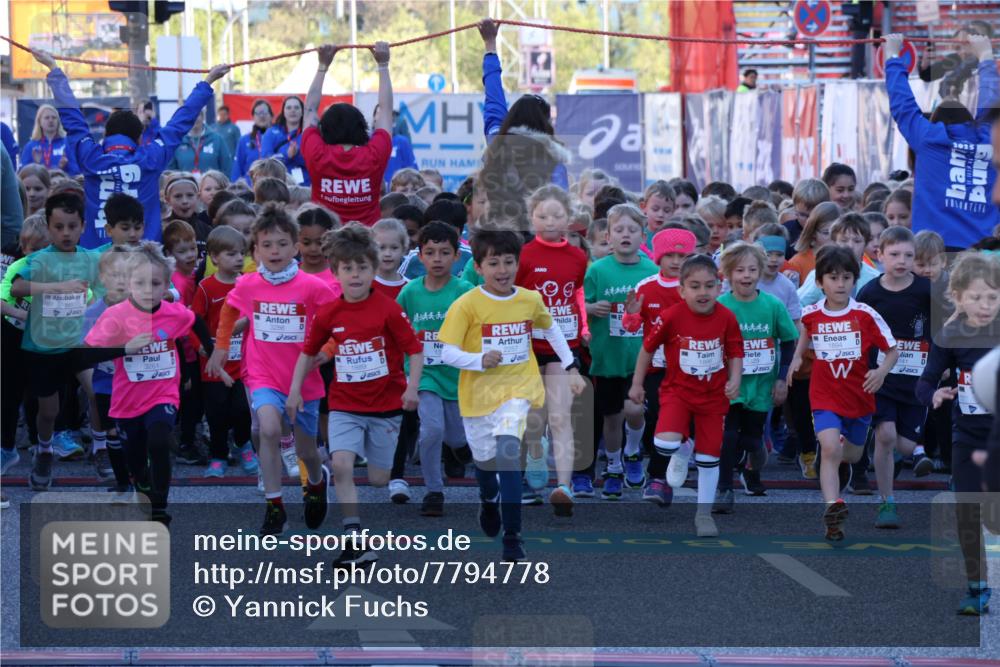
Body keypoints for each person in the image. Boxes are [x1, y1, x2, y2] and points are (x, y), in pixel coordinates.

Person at [438, 229, 585, 561]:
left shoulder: (530, 299)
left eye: (508, 262)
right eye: (493, 263)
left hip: (519, 389)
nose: (502, 270)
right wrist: (478, 360)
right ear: (478, 267)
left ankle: (513, 535)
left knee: (508, 452)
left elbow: (551, 329)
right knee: (487, 469)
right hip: (478, 395)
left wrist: (571, 366)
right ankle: (489, 501)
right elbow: (446, 352)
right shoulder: (467, 305)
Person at [288, 223, 423, 566]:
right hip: (345, 405)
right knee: (343, 465)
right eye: (348, 268)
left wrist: (411, 388)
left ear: (374, 270)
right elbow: (308, 352)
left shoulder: (388, 310)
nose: (356, 275)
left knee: (378, 480)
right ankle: (355, 540)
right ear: (336, 272)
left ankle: (381, 476)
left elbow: (415, 351)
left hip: (387, 406)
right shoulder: (330, 312)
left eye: (363, 267)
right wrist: (294, 393)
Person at [206, 203, 337, 535]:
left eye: (281, 244)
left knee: (307, 450)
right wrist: (221, 349)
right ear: (256, 250)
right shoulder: (249, 284)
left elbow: (338, 325)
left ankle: (317, 482)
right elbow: (229, 313)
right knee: (267, 429)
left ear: (295, 247)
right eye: (267, 245)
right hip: (262, 373)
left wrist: (327, 351)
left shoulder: (313, 287)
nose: (274, 251)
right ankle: (274, 504)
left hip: (303, 378)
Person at [31, 49, 229, 247]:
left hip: (96, 262)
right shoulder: (151, 158)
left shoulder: (91, 157)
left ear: (106, 135)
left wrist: (54, 69)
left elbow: (72, 120)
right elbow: (179, 123)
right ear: (139, 138)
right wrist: (208, 82)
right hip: (146, 261)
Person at [85, 243, 223, 525]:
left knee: (159, 442)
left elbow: (194, 320)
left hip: (163, 394)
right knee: (135, 458)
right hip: (126, 401)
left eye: (155, 283)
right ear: (129, 284)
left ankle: (159, 505)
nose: (148, 289)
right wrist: (125, 348)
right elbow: (89, 352)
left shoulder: (173, 313)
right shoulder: (116, 315)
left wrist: (211, 351)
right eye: (140, 283)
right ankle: (143, 488)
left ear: (166, 286)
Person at [628, 254, 744, 537]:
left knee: (708, 460)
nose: (702, 293)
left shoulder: (727, 317)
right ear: (682, 290)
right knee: (662, 444)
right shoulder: (671, 316)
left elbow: (735, 353)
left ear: (720, 287)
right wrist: (637, 384)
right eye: (694, 286)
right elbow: (646, 349)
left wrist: (735, 380)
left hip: (713, 398)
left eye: (709, 286)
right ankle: (681, 448)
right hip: (677, 393)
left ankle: (704, 515)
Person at [789, 245, 898, 542]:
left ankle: (845, 469)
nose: (840, 284)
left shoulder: (865, 314)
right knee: (828, 448)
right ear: (820, 282)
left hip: (859, 397)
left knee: (850, 453)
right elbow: (804, 335)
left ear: (855, 280)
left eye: (847, 277)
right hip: (824, 396)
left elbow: (892, 349)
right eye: (833, 278)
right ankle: (832, 507)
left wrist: (880, 372)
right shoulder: (811, 314)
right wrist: (797, 357)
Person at [917, 253, 1000, 615]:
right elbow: (924, 382)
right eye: (975, 297)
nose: (984, 305)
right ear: (958, 296)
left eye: (993, 297)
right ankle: (976, 586)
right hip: (967, 435)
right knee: (967, 510)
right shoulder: (950, 335)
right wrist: (934, 394)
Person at [9, 191, 100, 489]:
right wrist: (59, 287)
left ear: (83, 226)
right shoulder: (39, 260)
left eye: (72, 226)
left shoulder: (90, 259)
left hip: (78, 343)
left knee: (97, 392)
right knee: (49, 412)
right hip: (44, 347)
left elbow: (103, 291)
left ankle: (100, 447)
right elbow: (17, 287)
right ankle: (45, 450)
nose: (66, 233)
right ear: (49, 227)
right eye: (59, 227)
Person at [885, 32, 999, 250]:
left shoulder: (928, 138)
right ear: (970, 122)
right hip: (986, 253)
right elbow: (991, 98)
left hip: (933, 254)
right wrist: (985, 55)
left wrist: (892, 56)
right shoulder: (989, 138)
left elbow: (903, 105)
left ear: (936, 122)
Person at [515, 185, 589, 512]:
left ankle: (564, 486)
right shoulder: (524, 255)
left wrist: (584, 329)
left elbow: (578, 297)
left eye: (557, 215)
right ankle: (534, 455)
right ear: (531, 218)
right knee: (534, 416)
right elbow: (512, 299)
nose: (549, 221)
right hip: (528, 348)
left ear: (568, 219)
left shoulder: (578, 257)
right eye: (542, 215)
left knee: (560, 417)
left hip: (564, 347)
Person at [856, 227, 933, 530]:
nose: (902, 261)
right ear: (879, 255)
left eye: (908, 255)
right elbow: (860, 336)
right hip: (882, 377)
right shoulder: (870, 293)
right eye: (894, 255)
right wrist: (862, 371)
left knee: (903, 445)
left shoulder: (926, 291)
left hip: (917, 379)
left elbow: (942, 330)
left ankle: (894, 457)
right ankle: (887, 502)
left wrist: (940, 366)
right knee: (886, 436)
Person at [395, 222, 474, 515]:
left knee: (455, 437)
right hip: (424, 374)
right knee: (431, 430)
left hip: (456, 373)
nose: (437, 259)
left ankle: (461, 447)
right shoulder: (410, 293)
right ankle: (434, 490)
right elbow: (400, 331)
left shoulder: (465, 291)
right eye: (430, 252)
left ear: (456, 256)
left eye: (444, 252)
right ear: (420, 256)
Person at [713, 243, 798, 512]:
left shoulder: (771, 305)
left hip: (761, 385)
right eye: (739, 270)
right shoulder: (720, 306)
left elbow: (788, 342)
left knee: (750, 439)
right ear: (727, 273)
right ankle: (724, 489)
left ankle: (752, 457)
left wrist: (782, 379)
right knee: (726, 438)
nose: (746, 276)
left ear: (761, 271)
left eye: (752, 269)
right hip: (728, 386)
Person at [583, 204, 657, 499]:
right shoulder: (598, 270)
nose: (626, 235)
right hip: (607, 357)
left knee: (634, 409)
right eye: (619, 230)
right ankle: (613, 467)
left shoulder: (651, 271)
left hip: (639, 358)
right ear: (608, 237)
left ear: (643, 236)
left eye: (632, 230)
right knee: (611, 417)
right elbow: (580, 307)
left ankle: (633, 451)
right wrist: (590, 308)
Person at [622, 226, 696, 506]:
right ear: (658, 257)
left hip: (691, 367)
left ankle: (682, 450)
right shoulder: (646, 287)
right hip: (656, 367)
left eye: (682, 255)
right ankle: (657, 479)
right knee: (658, 421)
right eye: (670, 255)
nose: (676, 261)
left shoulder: (695, 287)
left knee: (685, 422)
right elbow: (632, 327)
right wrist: (630, 315)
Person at [477, 19, 570, 225]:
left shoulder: (495, 139)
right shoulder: (553, 160)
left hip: (500, 234)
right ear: (545, 124)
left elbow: (493, 93)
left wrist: (490, 44)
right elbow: (562, 204)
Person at [302, 43, 392, 226]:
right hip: (367, 246)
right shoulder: (374, 154)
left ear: (324, 129)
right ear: (361, 127)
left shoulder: (316, 153)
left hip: (326, 245)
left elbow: (310, 108)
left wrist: (322, 66)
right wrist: (383, 66)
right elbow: (386, 110)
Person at [193, 225, 255, 479]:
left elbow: (254, 315)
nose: (239, 259)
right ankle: (218, 455)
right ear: (214, 257)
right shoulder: (206, 287)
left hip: (244, 363)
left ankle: (245, 446)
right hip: (214, 364)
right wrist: (198, 344)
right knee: (217, 413)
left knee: (243, 409)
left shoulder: (248, 285)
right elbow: (192, 321)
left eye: (241, 253)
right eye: (231, 254)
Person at [80, 248, 132, 494]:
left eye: (126, 274)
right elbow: (84, 350)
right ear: (102, 278)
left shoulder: (143, 310)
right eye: (114, 274)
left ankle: (142, 476)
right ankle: (122, 482)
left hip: (135, 383)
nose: (121, 280)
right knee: (111, 430)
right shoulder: (92, 314)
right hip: (105, 382)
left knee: (134, 431)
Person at [168, 111, 233, 177]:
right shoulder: (177, 141)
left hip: (212, 187)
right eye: (190, 115)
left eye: (197, 115)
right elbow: (171, 171)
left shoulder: (217, 139)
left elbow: (226, 168)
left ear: (202, 117)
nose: (194, 118)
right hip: (186, 186)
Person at [262, 96, 310, 186]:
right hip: (279, 184)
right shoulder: (271, 133)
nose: (293, 110)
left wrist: (297, 155)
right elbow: (266, 161)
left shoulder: (309, 133)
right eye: (289, 107)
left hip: (304, 186)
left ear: (302, 112)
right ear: (283, 112)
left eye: (296, 107)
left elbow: (315, 162)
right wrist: (286, 155)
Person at [20, 104, 78, 176]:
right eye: (47, 118)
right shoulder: (31, 146)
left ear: (58, 122)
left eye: (54, 118)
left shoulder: (68, 143)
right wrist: (36, 166)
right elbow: (23, 175)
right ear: (39, 122)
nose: (51, 120)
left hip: (62, 185)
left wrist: (65, 166)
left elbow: (76, 172)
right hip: (39, 186)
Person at [232, 100, 273, 185]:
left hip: (273, 187)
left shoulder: (278, 138)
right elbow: (237, 168)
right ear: (253, 117)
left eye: (265, 112)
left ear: (271, 115)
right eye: (258, 113)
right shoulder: (244, 140)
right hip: (251, 188)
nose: (262, 116)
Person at [371, 218, 409, 298]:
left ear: (404, 250)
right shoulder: (365, 285)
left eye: (394, 248)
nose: (387, 254)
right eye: (381, 248)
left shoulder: (409, 288)